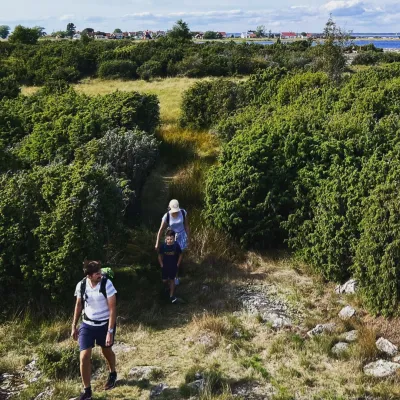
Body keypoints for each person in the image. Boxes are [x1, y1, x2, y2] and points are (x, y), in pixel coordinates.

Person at [71, 260, 117, 400]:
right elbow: (79, 305)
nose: (101, 274)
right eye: (97, 273)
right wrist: (74, 325)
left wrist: (109, 332)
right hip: (88, 324)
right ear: (89, 276)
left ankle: (113, 373)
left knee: (106, 350)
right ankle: (87, 391)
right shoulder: (82, 285)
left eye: (100, 271)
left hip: (105, 324)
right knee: (84, 356)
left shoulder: (106, 284)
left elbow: (112, 309)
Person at [158, 229, 183, 303]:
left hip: (173, 266)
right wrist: (161, 264)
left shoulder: (176, 246)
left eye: (171, 239)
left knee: (172, 280)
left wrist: (178, 264)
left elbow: (181, 255)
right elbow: (159, 255)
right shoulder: (163, 246)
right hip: (165, 266)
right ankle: (167, 288)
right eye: (168, 239)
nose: (169, 241)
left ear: (174, 238)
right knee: (164, 280)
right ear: (166, 238)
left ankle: (171, 296)